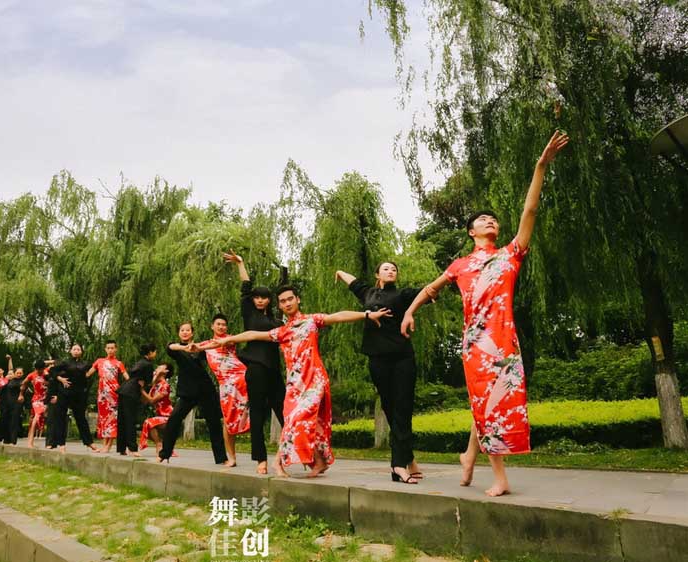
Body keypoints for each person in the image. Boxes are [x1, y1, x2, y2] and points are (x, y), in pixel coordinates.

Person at [401, 130, 569, 497]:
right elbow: (431, 289)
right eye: (482, 220)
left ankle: (468, 455)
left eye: (493, 219)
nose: (490, 221)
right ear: (470, 231)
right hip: (476, 344)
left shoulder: (511, 254)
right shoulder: (460, 265)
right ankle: (500, 477)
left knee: (497, 399)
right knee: (486, 400)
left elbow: (530, 211)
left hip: (505, 339)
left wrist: (540, 166)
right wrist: (409, 313)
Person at [215, 285, 390, 477]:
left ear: (298, 300)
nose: (287, 303)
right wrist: (227, 340)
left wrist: (366, 315)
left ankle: (278, 462)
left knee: (299, 417)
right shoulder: (282, 331)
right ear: (279, 306)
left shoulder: (311, 321)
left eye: (290, 299)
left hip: (315, 379)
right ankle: (320, 461)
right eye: (283, 301)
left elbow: (338, 316)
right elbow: (253, 334)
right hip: (295, 384)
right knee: (302, 420)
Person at [335, 262, 425, 484]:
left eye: (394, 268)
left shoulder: (404, 294)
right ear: (377, 274)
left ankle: (398, 465)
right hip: (377, 358)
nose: (391, 270)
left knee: (403, 408)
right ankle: (409, 458)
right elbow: (352, 280)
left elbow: (429, 291)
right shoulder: (368, 293)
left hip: (403, 357)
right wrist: (339, 272)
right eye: (386, 269)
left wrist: (448, 277)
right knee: (389, 406)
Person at [222, 251, 286, 475]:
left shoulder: (278, 321)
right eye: (257, 297)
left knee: (284, 413)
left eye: (264, 297)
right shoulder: (249, 314)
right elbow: (245, 287)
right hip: (256, 369)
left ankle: (290, 455)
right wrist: (240, 263)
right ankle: (261, 459)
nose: (260, 299)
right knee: (258, 414)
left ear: (270, 300)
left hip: (274, 371)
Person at [157, 322, 228, 465]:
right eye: (182, 330)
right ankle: (164, 454)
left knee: (214, 423)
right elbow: (170, 347)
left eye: (187, 330)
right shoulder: (177, 349)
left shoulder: (200, 348)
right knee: (174, 421)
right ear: (179, 333)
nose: (185, 332)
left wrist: (197, 347)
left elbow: (213, 347)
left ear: (192, 333)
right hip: (187, 392)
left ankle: (222, 458)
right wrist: (185, 348)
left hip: (205, 390)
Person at [196, 314, 250, 467]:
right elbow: (192, 348)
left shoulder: (230, 339)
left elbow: (245, 337)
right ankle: (231, 457)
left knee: (253, 416)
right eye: (218, 324)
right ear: (212, 326)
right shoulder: (205, 344)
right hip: (226, 386)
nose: (221, 327)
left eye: (224, 325)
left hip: (242, 379)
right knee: (228, 420)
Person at [117, 344, 166, 456]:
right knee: (130, 420)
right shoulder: (148, 365)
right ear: (150, 353)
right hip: (132, 392)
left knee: (122, 420)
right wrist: (157, 375)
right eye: (154, 352)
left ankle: (121, 448)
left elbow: (135, 376)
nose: (155, 354)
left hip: (124, 390)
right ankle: (133, 449)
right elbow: (148, 383)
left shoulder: (139, 362)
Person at [52, 344, 99, 452]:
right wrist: (61, 379)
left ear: (81, 351)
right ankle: (61, 444)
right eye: (74, 349)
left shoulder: (85, 363)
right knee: (61, 417)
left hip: (78, 395)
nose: (76, 351)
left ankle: (89, 443)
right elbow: (53, 371)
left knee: (81, 418)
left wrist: (85, 385)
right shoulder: (65, 363)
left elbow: (93, 370)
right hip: (65, 393)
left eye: (78, 349)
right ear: (70, 351)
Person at [89, 340, 128, 453]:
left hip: (113, 394)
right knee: (103, 419)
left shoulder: (119, 363)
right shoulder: (99, 361)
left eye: (112, 348)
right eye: (108, 348)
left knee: (112, 419)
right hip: (102, 395)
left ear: (116, 349)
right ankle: (104, 444)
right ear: (105, 349)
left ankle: (109, 446)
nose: (110, 350)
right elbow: (87, 374)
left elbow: (127, 378)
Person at [140, 365, 175, 455]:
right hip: (160, 416)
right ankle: (163, 445)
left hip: (169, 416)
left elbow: (152, 400)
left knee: (148, 422)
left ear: (166, 371)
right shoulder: (155, 386)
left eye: (159, 368)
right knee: (148, 426)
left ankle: (159, 445)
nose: (156, 369)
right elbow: (145, 402)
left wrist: (141, 390)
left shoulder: (165, 385)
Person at [19, 359, 50, 449]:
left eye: (41, 369)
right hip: (36, 399)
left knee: (35, 419)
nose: (39, 371)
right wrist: (21, 394)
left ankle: (32, 441)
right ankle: (30, 443)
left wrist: (46, 363)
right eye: (37, 369)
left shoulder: (47, 372)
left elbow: (55, 362)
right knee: (36, 417)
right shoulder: (31, 375)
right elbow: (23, 384)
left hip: (46, 400)